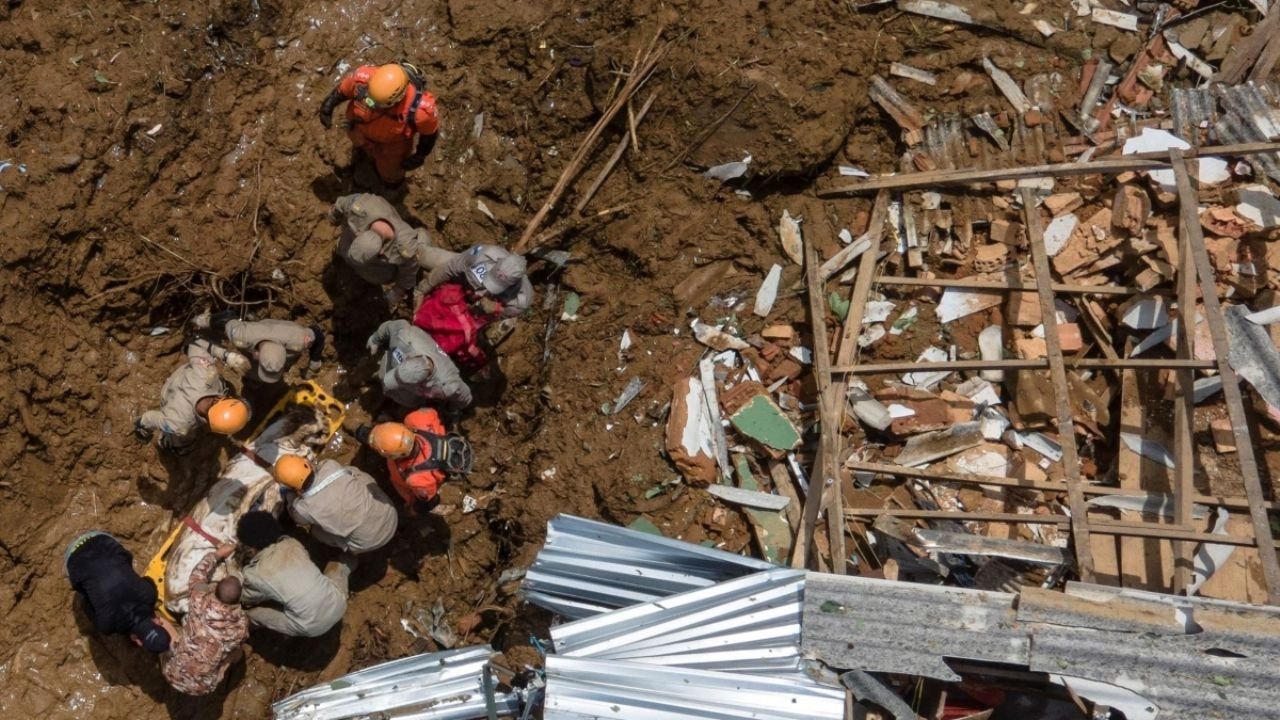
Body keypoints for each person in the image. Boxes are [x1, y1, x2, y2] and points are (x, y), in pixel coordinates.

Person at [318, 62, 440, 185]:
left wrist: (420, 155)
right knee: (360, 143)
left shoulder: (422, 111)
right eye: (370, 98)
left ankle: (392, 184)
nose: (371, 104)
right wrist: (328, 106)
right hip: (359, 127)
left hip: (393, 145)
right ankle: (365, 154)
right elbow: (342, 92)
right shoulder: (361, 78)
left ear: (398, 99)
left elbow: (428, 136)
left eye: (377, 104)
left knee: (391, 171)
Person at [236, 512, 349, 638]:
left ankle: (243, 632)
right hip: (338, 603)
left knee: (253, 614)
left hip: (311, 626)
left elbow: (245, 596)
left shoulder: (255, 573)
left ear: (251, 546)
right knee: (341, 564)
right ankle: (358, 557)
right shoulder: (292, 544)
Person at [160, 543, 249, 696]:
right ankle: (224, 670)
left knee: (163, 622)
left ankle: (168, 655)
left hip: (171, 674)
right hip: (203, 689)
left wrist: (217, 554)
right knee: (237, 651)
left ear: (216, 589)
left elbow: (198, 574)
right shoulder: (240, 626)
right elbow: (241, 637)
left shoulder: (199, 598)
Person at [328, 193, 448, 303]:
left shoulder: (405, 247)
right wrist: (333, 215)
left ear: (381, 252)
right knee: (345, 247)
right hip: (361, 227)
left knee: (378, 275)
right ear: (360, 233)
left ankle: (420, 234)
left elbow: (409, 270)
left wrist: (398, 290)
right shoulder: (361, 207)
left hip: (401, 245)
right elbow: (343, 203)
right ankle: (341, 248)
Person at [65, 531, 171, 655]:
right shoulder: (107, 626)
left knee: (125, 566)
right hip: (72, 557)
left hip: (101, 538)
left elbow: (148, 580)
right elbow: (86, 606)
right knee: (87, 592)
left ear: (158, 622)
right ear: (138, 641)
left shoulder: (150, 595)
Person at [134, 341, 250, 453]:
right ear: (210, 425)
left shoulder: (206, 374)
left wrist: (226, 355)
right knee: (182, 439)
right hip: (170, 398)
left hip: (183, 378)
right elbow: (153, 418)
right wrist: (142, 427)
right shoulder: (179, 423)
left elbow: (196, 343)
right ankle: (167, 441)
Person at [272, 455, 398, 555]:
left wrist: (290, 496)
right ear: (307, 464)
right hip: (390, 514)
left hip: (370, 542)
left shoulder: (303, 509)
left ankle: (349, 552)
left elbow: (297, 517)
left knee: (316, 532)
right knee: (354, 473)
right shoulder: (330, 466)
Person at [358, 409, 473, 515]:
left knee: (410, 504)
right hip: (436, 442)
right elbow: (432, 412)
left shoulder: (417, 480)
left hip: (422, 479)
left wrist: (413, 510)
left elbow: (428, 502)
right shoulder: (417, 419)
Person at [366, 319, 472, 411]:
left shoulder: (447, 385)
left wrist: (451, 409)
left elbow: (465, 398)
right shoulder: (403, 337)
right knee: (385, 378)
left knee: (409, 401)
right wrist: (376, 338)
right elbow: (390, 326)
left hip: (413, 395)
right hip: (393, 365)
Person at [194, 313, 325, 384]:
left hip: (284, 331)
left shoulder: (299, 340)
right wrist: (204, 321)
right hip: (258, 329)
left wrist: (314, 364)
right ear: (256, 354)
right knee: (250, 371)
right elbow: (226, 320)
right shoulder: (241, 336)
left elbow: (317, 334)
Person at [416, 244, 534, 320]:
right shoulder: (483, 255)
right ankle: (420, 236)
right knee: (419, 256)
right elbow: (450, 268)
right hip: (461, 275)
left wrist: (496, 309)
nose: (482, 292)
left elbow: (504, 314)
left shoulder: (521, 300)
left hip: (476, 310)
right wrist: (422, 289)